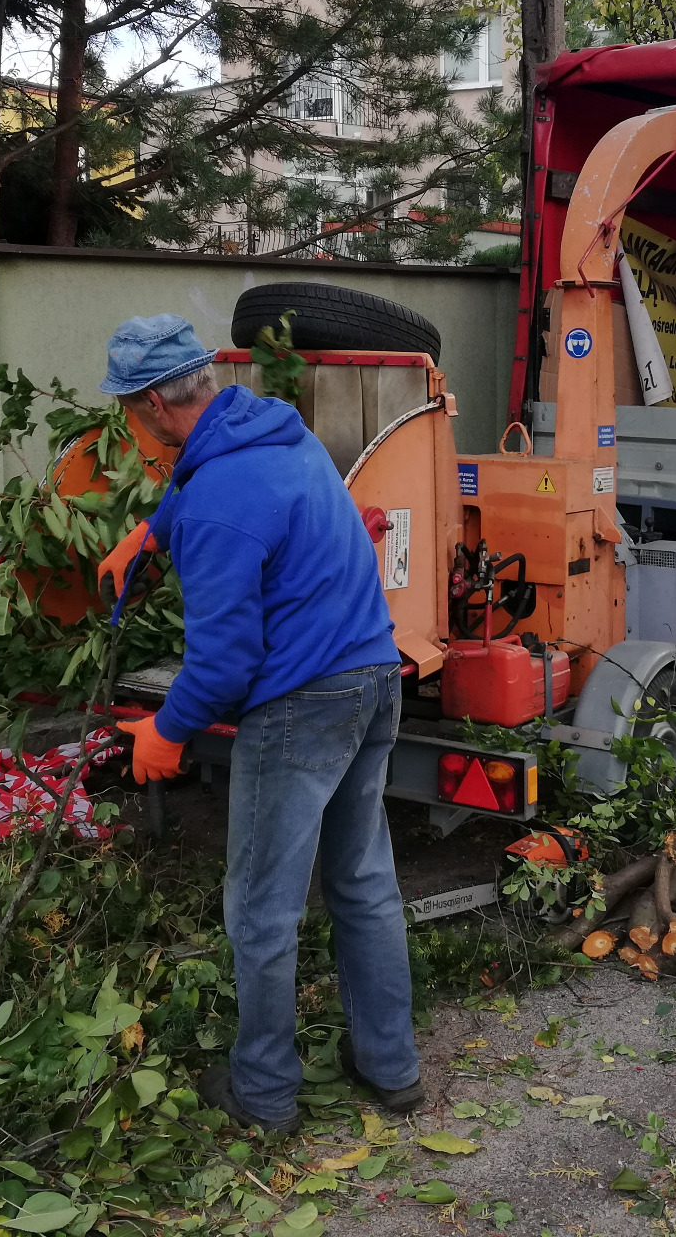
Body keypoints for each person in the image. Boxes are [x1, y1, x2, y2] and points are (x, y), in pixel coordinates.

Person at [97, 313, 422, 1135]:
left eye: (134, 415)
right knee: (364, 883)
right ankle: (391, 1067)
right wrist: (152, 529)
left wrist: (167, 732)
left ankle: (266, 1094)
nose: (139, 430)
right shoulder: (283, 435)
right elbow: (209, 476)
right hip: (375, 677)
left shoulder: (217, 504)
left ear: (153, 407)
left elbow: (224, 663)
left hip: (301, 705)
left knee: (261, 911)